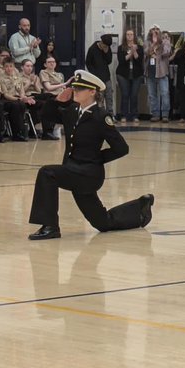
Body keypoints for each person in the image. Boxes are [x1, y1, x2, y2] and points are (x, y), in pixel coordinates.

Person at [27, 70, 155, 240]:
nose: (75, 91)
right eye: (74, 88)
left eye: (79, 89)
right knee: (102, 223)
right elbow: (46, 116)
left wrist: (97, 159)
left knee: (47, 173)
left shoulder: (100, 117)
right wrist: (56, 101)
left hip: (88, 174)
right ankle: (140, 208)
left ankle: (50, 226)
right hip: (74, 171)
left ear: (92, 92)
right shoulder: (72, 111)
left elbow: (122, 148)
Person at [144, 26, 173, 122]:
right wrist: (153, 44)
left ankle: (165, 115)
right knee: (152, 94)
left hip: (162, 72)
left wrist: (159, 42)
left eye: (157, 29)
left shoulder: (165, 42)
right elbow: (146, 52)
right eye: (153, 29)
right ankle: (155, 114)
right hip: (150, 72)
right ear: (150, 31)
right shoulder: (147, 42)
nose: (155, 31)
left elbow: (166, 53)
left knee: (164, 93)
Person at [116, 28, 144, 122]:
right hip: (123, 74)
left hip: (136, 74)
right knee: (125, 94)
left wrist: (134, 51)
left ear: (134, 36)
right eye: (128, 34)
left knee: (134, 95)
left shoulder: (139, 47)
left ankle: (134, 115)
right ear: (125, 36)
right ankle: (123, 115)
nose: (129, 36)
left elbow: (139, 60)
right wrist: (131, 52)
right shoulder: (121, 48)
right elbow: (122, 60)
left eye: (131, 34)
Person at [85, 34, 114, 116]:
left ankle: (110, 114)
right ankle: (101, 114)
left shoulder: (107, 48)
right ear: (101, 42)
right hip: (97, 77)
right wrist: (94, 74)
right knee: (99, 97)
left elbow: (109, 61)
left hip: (106, 76)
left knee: (109, 96)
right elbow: (88, 63)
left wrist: (105, 52)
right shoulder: (92, 48)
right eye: (104, 45)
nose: (105, 47)